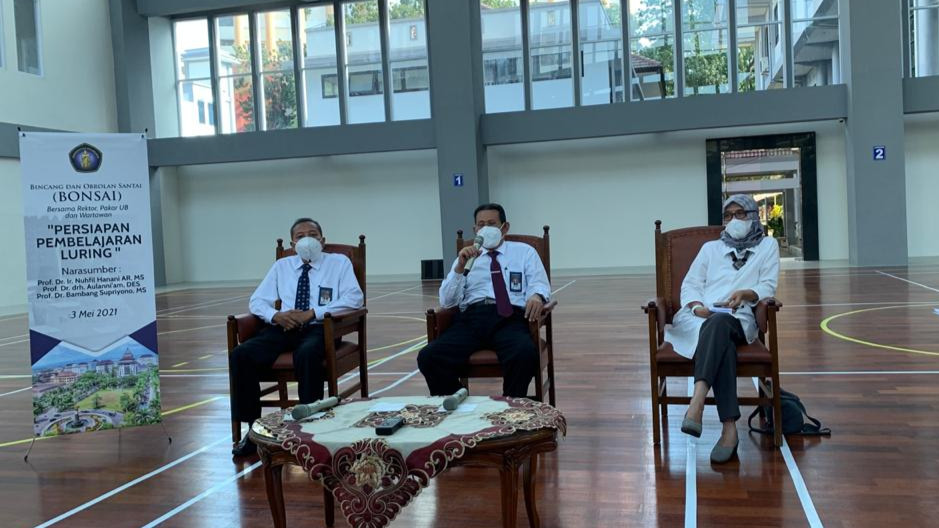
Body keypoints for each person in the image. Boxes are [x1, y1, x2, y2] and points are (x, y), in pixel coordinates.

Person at [229, 218, 363, 457]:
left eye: (313, 234)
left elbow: (354, 298)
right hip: (284, 326)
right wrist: (275, 316)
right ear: (292, 243)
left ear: (323, 240)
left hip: (321, 327)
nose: (307, 239)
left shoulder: (339, 263)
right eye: (300, 236)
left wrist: (313, 313)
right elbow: (257, 301)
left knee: (308, 353)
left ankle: (309, 428)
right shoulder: (282, 266)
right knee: (241, 355)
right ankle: (253, 430)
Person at [666, 195, 780, 463]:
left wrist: (747, 293)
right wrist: (695, 307)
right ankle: (729, 429)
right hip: (700, 317)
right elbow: (691, 283)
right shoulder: (710, 249)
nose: (733, 220)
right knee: (719, 338)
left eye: (740, 213)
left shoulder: (768, 246)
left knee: (719, 325)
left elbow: (768, 285)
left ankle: (697, 402)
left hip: (739, 318)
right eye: (728, 216)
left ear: (753, 215)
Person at [417, 203, 551, 399]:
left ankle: (509, 410)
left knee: (524, 354)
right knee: (429, 357)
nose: (485, 229)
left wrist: (537, 296)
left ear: (504, 227)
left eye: (491, 223)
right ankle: (460, 405)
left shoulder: (524, 252)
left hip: (509, 317)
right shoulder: (467, 256)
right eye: (481, 225)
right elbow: (447, 301)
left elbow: (539, 283)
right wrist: (459, 268)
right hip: (471, 318)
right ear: (475, 230)